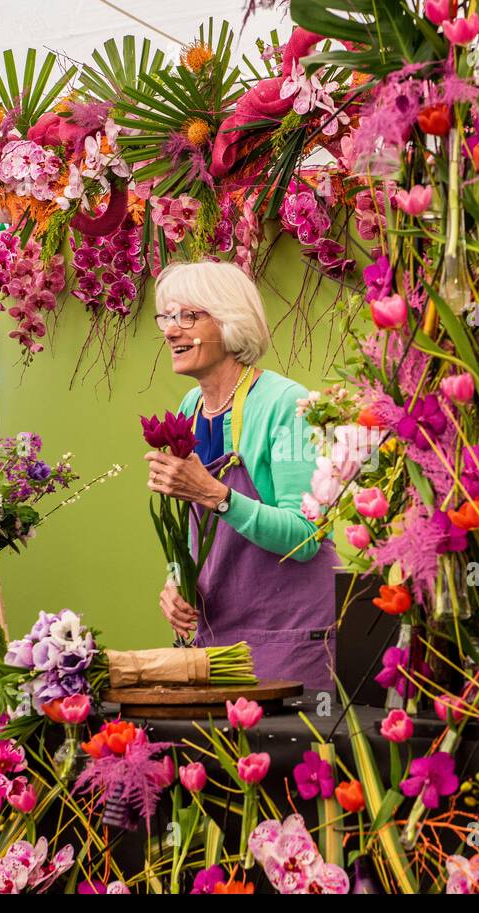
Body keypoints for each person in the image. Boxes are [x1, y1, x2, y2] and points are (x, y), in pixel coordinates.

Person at [146, 261, 336, 691]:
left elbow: (306, 537)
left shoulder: (286, 404)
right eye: (167, 317)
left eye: (187, 316)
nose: (171, 331)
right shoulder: (189, 410)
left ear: (230, 321)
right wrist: (177, 580)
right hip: (217, 637)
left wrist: (218, 495)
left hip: (289, 636)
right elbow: (193, 533)